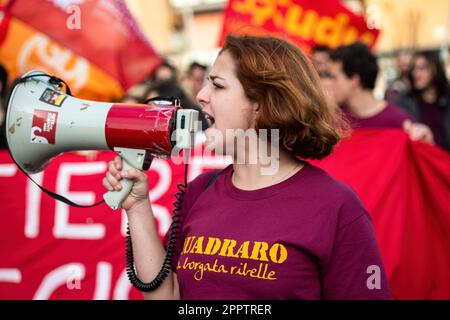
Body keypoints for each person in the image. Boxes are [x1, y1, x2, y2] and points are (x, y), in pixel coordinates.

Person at [103, 35, 392, 300]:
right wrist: (138, 206)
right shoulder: (199, 191)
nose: (201, 95)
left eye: (218, 85)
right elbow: (165, 296)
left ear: (263, 104)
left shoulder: (337, 207)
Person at [329, 43, 434, 144]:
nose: (328, 84)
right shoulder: (335, 123)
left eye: (334, 77)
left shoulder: (401, 123)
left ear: (354, 80)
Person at [397, 51, 450, 151]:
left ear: (435, 69)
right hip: (422, 162)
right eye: (413, 69)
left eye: (422, 68)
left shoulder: (447, 100)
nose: (416, 73)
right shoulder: (405, 104)